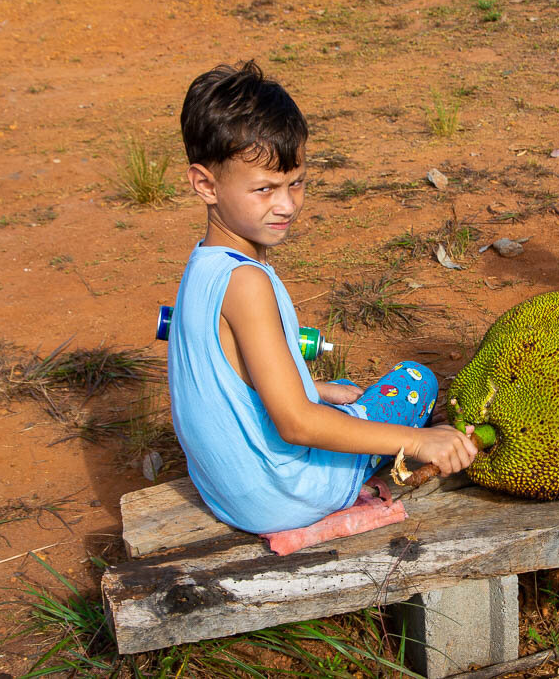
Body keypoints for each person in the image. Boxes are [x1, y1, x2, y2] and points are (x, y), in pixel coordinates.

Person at [168, 61, 478, 535]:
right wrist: (419, 441)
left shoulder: (204, 265)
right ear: (205, 184)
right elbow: (296, 425)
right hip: (286, 494)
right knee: (415, 381)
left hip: (228, 492)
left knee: (340, 395)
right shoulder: (247, 283)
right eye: (266, 189)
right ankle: (371, 458)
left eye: (297, 183)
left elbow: (230, 377)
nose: (287, 204)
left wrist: (313, 390)